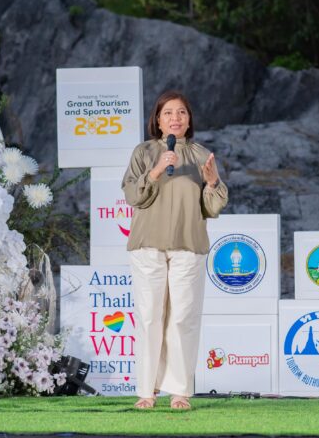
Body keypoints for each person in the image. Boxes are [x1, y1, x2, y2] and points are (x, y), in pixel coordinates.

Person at [122, 90, 228, 410]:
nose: (175, 118)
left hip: (188, 245)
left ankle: (180, 390)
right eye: (168, 113)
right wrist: (156, 170)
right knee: (151, 316)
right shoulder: (144, 152)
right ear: (157, 119)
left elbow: (212, 208)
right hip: (147, 245)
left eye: (181, 112)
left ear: (189, 119)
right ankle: (147, 390)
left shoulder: (200, 155)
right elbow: (133, 196)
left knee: (182, 317)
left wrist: (212, 183)